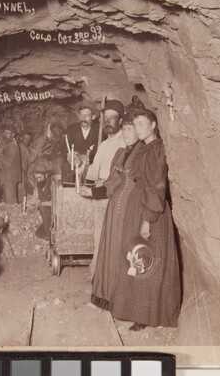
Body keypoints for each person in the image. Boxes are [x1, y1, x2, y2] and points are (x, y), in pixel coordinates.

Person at [110, 100, 181, 331]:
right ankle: (137, 310)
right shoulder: (145, 149)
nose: (138, 127)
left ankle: (148, 315)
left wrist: (147, 220)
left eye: (142, 123)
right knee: (137, 258)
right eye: (135, 124)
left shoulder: (156, 149)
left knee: (149, 261)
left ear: (153, 125)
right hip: (139, 209)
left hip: (150, 213)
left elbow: (155, 187)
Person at [79, 114, 144, 311]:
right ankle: (108, 297)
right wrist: (93, 191)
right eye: (123, 129)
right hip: (115, 207)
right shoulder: (121, 152)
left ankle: (127, 301)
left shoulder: (143, 153)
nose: (125, 132)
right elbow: (113, 182)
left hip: (132, 208)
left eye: (130, 129)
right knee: (111, 250)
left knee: (127, 253)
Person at [85, 99, 126, 186]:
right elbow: (93, 173)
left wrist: (104, 182)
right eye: (105, 118)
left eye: (112, 118)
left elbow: (122, 176)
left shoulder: (125, 142)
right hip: (100, 189)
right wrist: (80, 164)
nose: (107, 122)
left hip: (114, 190)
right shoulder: (103, 145)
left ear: (120, 120)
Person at [66, 101, 100, 167]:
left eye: (86, 115)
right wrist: (71, 155)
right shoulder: (71, 129)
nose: (83, 118)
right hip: (73, 165)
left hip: (91, 166)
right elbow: (64, 148)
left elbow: (100, 151)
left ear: (93, 117)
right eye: (82, 115)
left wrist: (86, 157)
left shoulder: (99, 131)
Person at [0, 124, 21, 203]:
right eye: (5, 133)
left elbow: (8, 163)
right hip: (8, 176)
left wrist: (0, 154)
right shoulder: (9, 145)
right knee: (9, 198)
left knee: (10, 200)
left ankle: (12, 214)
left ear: (13, 134)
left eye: (8, 133)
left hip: (10, 176)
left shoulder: (12, 146)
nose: (6, 135)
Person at [32, 159, 52, 241]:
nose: (38, 180)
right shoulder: (38, 184)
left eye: (40, 177)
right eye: (36, 178)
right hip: (45, 215)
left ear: (46, 175)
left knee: (44, 208)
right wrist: (34, 202)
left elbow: (57, 203)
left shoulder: (52, 185)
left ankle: (49, 235)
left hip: (53, 213)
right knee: (38, 233)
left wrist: (42, 204)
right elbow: (34, 198)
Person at [18, 131, 34, 199]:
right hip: (21, 170)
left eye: (29, 139)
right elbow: (30, 159)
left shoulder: (22, 146)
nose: (27, 141)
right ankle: (22, 204)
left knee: (21, 188)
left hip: (21, 170)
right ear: (21, 138)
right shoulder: (22, 147)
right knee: (21, 189)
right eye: (25, 138)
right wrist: (35, 153)